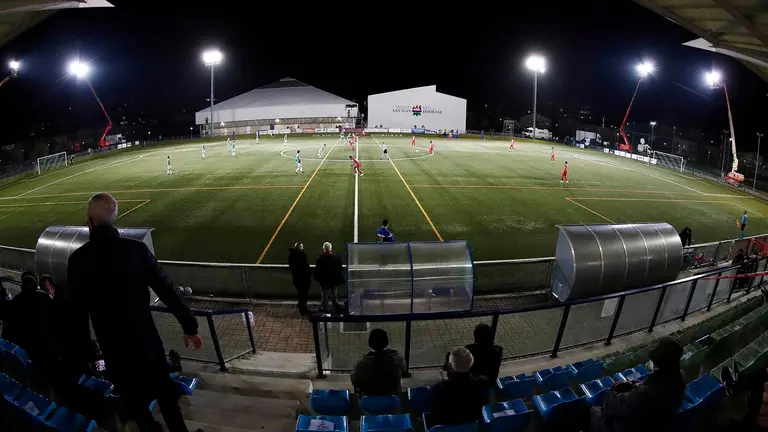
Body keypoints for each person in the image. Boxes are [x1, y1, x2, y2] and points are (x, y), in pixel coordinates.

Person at [67, 193, 203, 432]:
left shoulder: (78, 260)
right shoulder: (136, 251)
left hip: (115, 353)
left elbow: (77, 316)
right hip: (148, 347)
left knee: (136, 407)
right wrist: (189, 327)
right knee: (167, 401)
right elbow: (168, 291)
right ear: (114, 220)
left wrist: (89, 354)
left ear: (90, 222)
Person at [590, 337, 685, 432]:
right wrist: (635, 385)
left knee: (591, 410)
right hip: (655, 424)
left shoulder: (645, 394)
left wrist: (613, 389)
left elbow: (609, 405)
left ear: (656, 365)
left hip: (630, 426)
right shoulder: (679, 382)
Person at [429, 347, 489, 428]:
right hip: (473, 427)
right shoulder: (482, 383)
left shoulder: (440, 387)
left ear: (450, 366)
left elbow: (434, 412)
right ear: (471, 365)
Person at [350, 329, 407, 396]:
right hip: (392, 397)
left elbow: (355, 380)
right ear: (387, 342)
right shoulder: (398, 359)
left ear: (369, 343)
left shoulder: (361, 363)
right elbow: (403, 371)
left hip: (369, 398)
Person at [313, 242, 344, 314]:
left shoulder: (320, 258)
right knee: (334, 293)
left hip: (324, 281)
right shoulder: (336, 256)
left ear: (324, 249)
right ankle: (335, 304)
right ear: (330, 248)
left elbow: (317, 270)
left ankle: (326, 308)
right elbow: (340, 268)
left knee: (325, 295)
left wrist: (317, 278)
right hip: (334, 280)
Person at [288, 242, 312, 316]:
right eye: (301, 247)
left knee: (301, 295)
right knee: (303, 295)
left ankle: (302, 308)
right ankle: (303, 310)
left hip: (297, 279)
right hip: (303, 279)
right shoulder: (302, 256)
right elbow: (305, 267)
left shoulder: (291, 256)